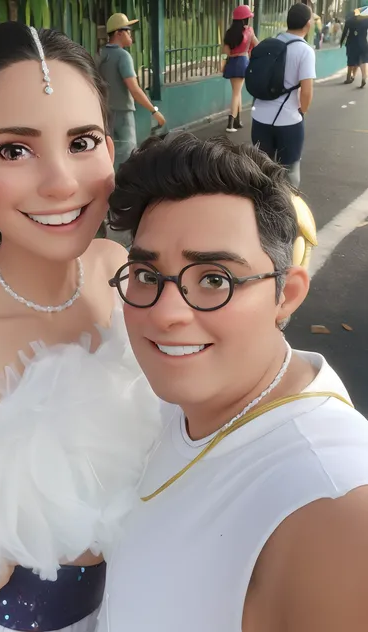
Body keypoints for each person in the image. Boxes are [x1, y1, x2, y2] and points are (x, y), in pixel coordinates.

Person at [0, 22, 161, 632]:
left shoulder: (122, 274)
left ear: (111, 152)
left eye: (83, 140)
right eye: (15, 149)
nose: (62, 181)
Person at [98, 133, 368, 632]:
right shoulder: (171, 405)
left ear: (286, 295)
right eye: (146, 274)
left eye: (215, 279)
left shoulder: (333, 507)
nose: (167, 313)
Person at [251, 3, 316, 190]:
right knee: (289, 172)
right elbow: (306, 91)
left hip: (260, 117)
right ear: (307, 24)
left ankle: (262, 211)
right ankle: (287, 213)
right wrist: (302, 111)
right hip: (289, 120)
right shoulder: (305, 51)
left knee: (261, 169)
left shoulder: (270, 43)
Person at [98, 13, 166, 167]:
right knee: (127, 157)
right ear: (118, 33)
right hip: (122, 114)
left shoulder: (101, 54)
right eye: (127, 30)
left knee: (108, 155)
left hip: (104, 113)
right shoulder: (123, 56)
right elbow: (135, 90)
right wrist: (154, 111)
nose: (130, 34)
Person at [222, 5, 258, 133]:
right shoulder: (249, 31)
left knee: (237, 91)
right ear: (244, 19)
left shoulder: (229, 32)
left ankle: (237, 120)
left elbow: (225, 51)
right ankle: (231, 123)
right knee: (236, 93)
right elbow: (257, 44)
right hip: (243, 62)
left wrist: (225, 61)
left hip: (232, 62)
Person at [340, 10, 368, 88]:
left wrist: (341, 42)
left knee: (351, 60)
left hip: (351, 43)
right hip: (363, 43)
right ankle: (363, 77)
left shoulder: (349, 21)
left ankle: (349, 78)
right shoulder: (365, 20)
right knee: (362, 61)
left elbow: (345, 32)